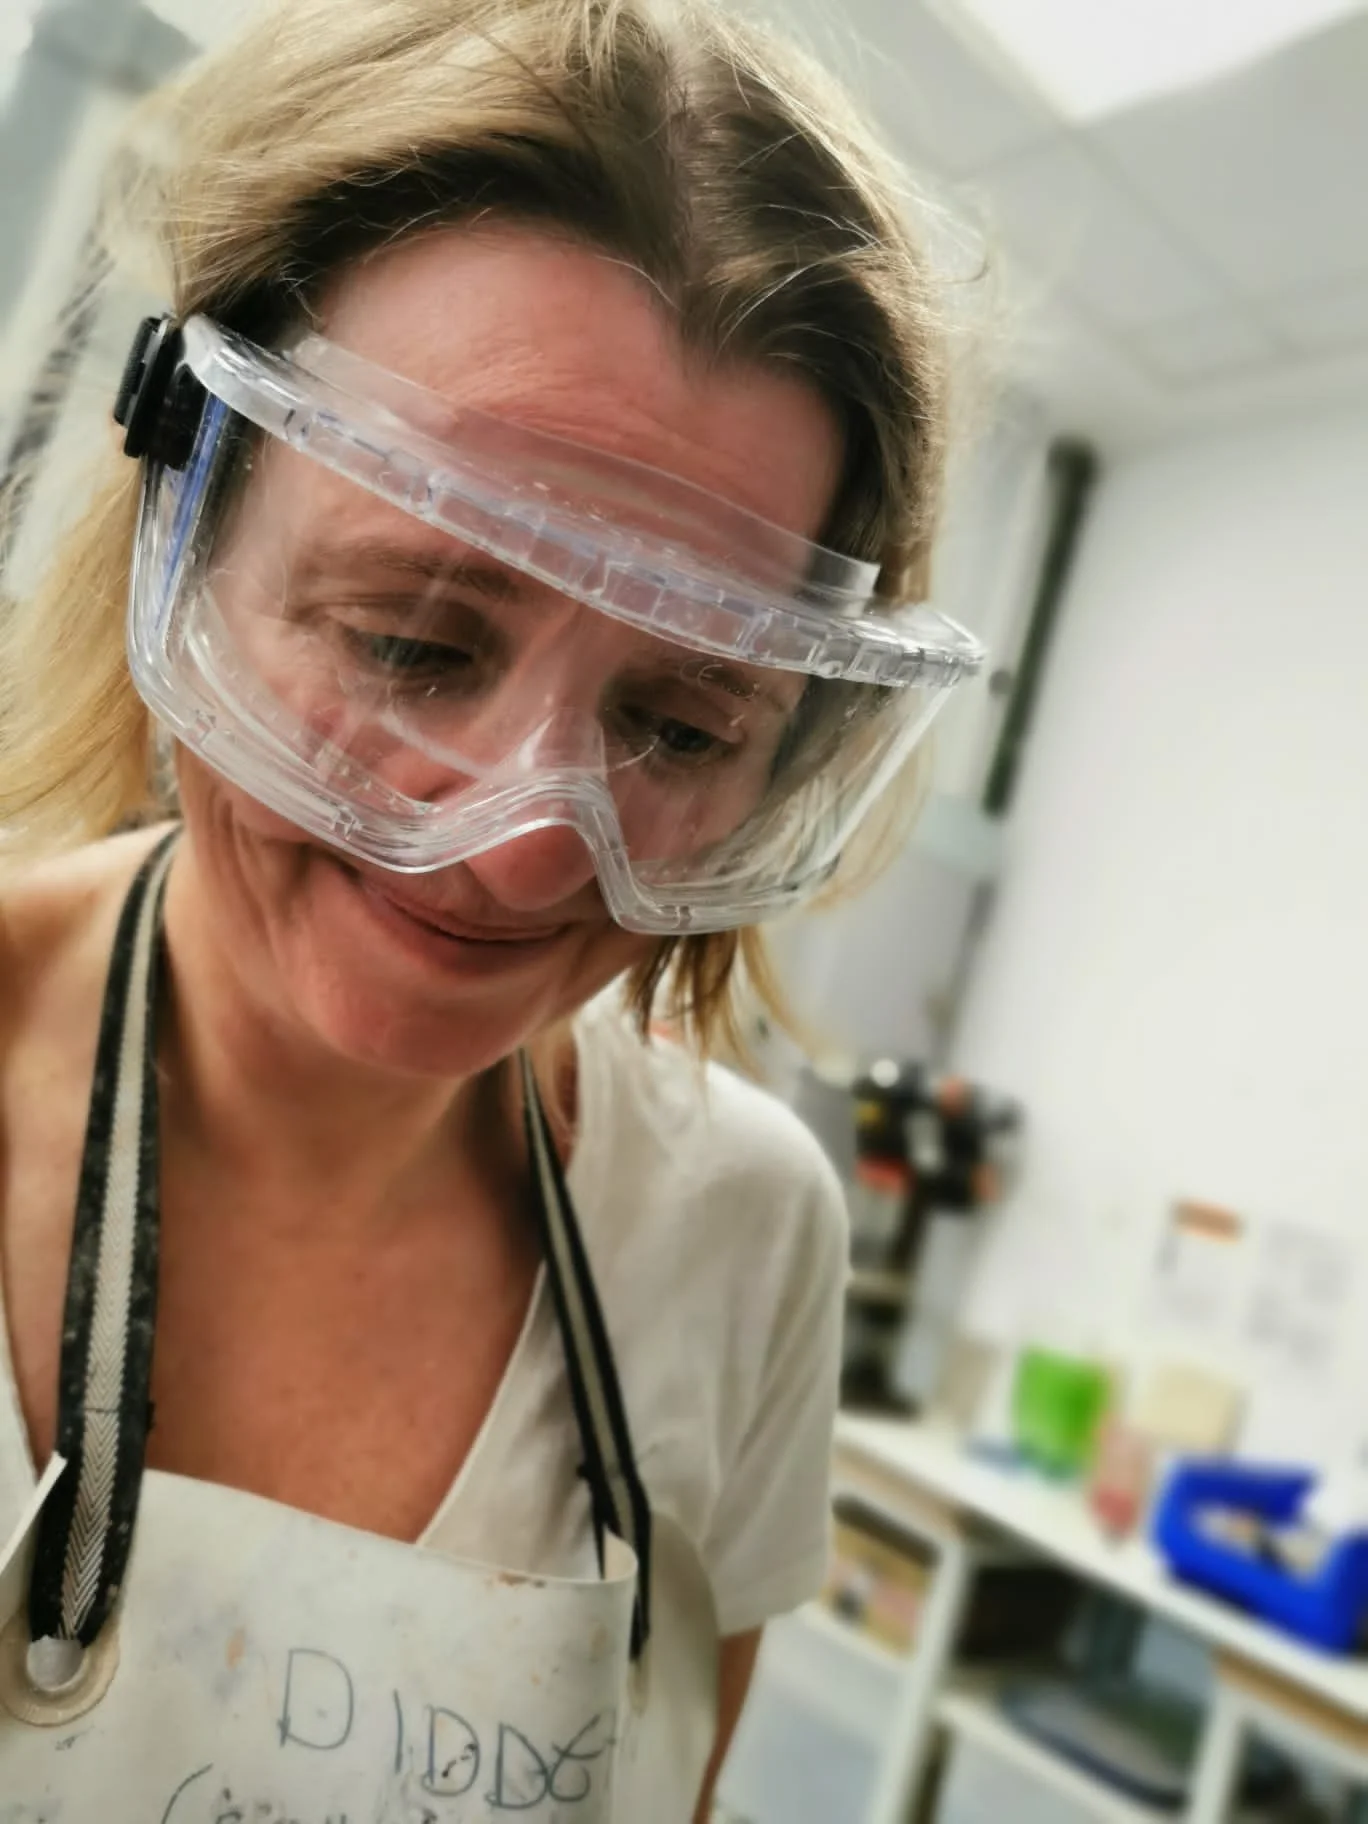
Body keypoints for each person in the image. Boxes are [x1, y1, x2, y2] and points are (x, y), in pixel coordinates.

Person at [0, 0, 979, 1816]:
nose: (523, 854)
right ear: (189, 528)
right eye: (408, 643)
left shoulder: (746, 1238)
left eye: (682, 722)